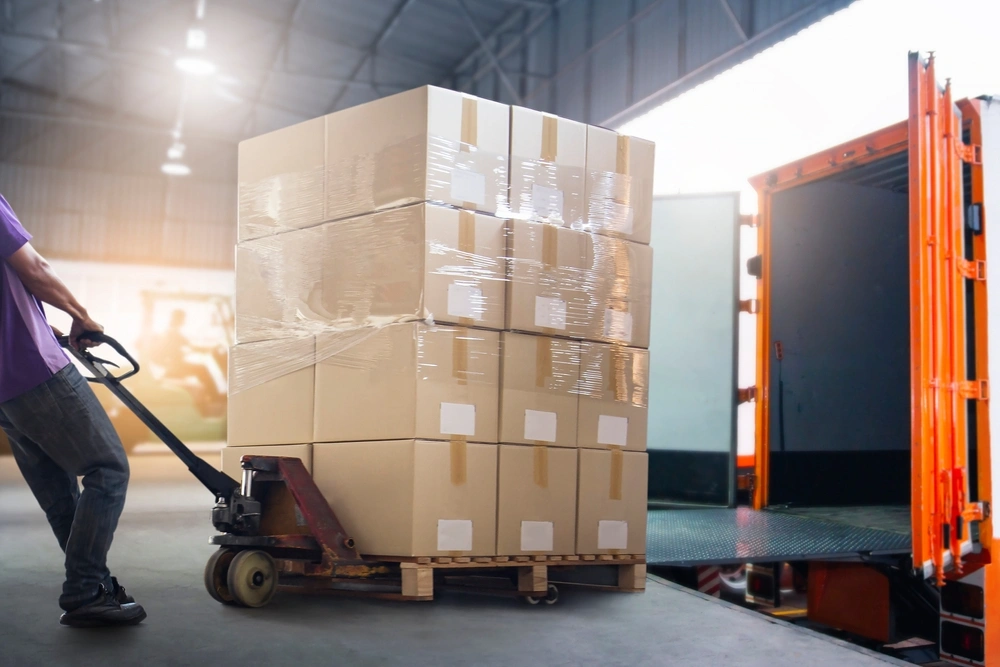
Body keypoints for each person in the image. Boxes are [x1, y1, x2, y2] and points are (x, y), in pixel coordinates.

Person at [0, 193, 146, 627]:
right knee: (109, 469)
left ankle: (93, 588)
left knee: (60, 491)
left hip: (6, 390)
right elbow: (34, 268)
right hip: (35, 368)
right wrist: (81, 315)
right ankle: (84, 589)